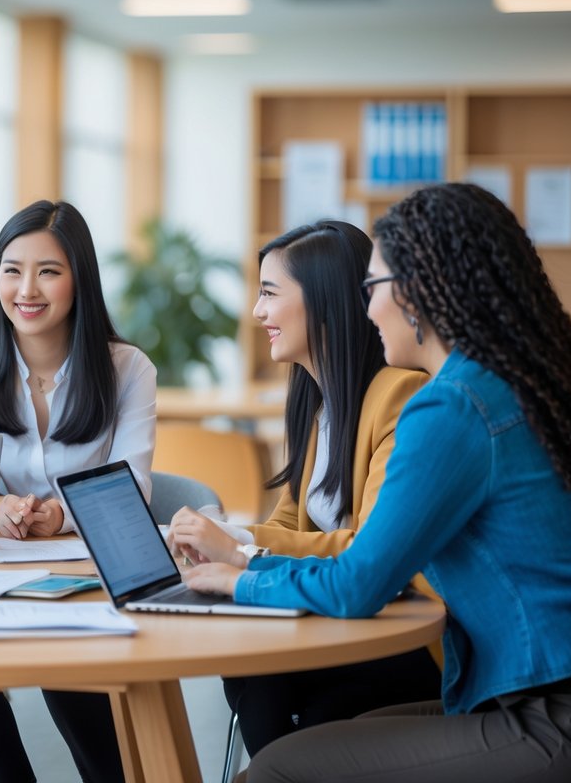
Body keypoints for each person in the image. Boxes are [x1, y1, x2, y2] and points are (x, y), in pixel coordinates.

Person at [182, 182, 571, 783]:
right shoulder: (510, 381)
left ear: (417, 291)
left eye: (372, 288)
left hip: (547, 716)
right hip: (516, 695)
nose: (365, 309)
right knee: (307, 743)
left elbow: (358, 582)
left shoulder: (452, 406)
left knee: (277, 771)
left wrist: (240, 575)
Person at [168, 221, 439, 756]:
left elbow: (368, 546)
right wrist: (225, 536)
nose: (257, 313)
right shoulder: (317, 400)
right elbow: (293, 524)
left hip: (404, 632)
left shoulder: (399, 395)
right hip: (345, 616)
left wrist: (239, 552)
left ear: (324, 302)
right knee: (249, 665)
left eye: (269, 293)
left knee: (275, 681)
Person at [0, 200, 157, 783]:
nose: (26, 288)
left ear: (78, 277)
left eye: (48, 271)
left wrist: (59, 515)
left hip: (85, 577)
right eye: (11, 269)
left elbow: (131, 485)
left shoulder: (128, 369)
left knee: (71, 668)